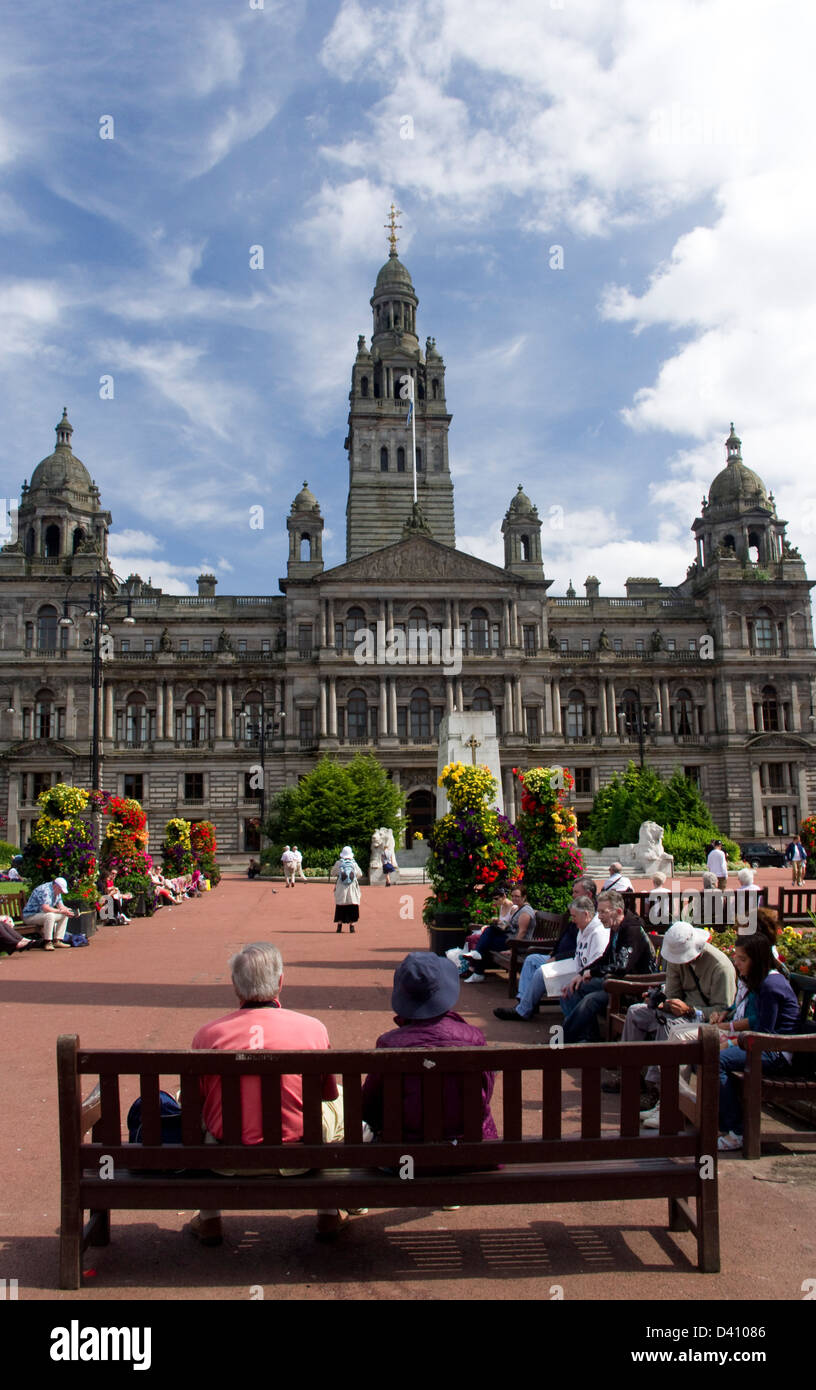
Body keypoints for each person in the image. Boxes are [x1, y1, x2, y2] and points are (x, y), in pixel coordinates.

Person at [188, 941, 350, 1244]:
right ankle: (329, 1211)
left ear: (236, 986)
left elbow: (197, 1102)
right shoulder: (312, 1029)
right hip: (299, 1156)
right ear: (280, 982)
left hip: (226, 1160)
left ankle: (209, 1218)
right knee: (338, 1102)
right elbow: (327, 1094)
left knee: (197, 1106)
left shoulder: (207, 1034)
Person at [361, 953, 497, 1147]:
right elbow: (485, 1091)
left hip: (404, 1156)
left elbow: (369, 1108)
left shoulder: (389, 1043)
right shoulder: (474, 1038)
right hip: (472, 1152)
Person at [618, 922, 736, 1125]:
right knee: (636, 1012)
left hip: (706, 1020)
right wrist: (659, 1001)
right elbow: (672, 994)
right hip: (680, 1013)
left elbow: (724, 1012)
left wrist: (690, 1010)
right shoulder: (675, 958)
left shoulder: (720, 967)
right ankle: (630, 1078)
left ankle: (664, 1096)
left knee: (670, 1026)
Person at [712, 933, 801, 1151]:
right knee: (707, 1052)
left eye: (742, 959)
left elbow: (765, 1034)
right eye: (737, 958)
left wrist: (731, 1043)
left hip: (777, 1053)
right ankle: (724, 1123)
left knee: (716, 1060)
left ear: (757, 960)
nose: (736, 963)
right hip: (765, 1046)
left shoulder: (771, 986)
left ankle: (737, 1131)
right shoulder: (764, 982)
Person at [559, 890, 656, 1043]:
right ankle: (587, 1036)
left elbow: (622, 966)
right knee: (572, 989)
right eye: (598, 912)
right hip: (618, 980)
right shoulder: (616, 926)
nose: (599, 916)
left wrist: (593, 972)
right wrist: (582, 973)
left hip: (635, 986)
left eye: (603, 912)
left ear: (617, 911)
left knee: (591, 999)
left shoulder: (631, 930)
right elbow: (605, 958)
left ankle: (564, 1039)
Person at [493, 895, 609, 1022]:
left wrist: (577, 973)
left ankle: (524, 1010)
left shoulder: (597, 933)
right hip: (576, 964)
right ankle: (523, 1004)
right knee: (532, 960)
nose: (573, 920)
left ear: (586, 915)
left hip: (583, 972)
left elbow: (596, 962)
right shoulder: (582, 927)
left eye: (574, 916)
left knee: (542, 973)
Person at [461, 885, 536, 983]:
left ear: (524, 897)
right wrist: (500, 924)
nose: (514, 898)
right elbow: (512, 927)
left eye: (517, 896)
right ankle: (477, 964)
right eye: (513, 896)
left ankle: (478, 972)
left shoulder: (525, 912)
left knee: (485, 944)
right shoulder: (519, 908)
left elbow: (522, 932)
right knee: (490, 930)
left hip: (517, 944)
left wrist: (512, 950)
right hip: (509, 938)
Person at [22, 876, 77, 950]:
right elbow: (46, 908)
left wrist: (69, 911)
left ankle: (57, 940)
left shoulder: (57, 891)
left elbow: (61, 906)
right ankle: (47, 942)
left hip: (41, 915)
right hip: (30, 916)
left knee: (64, 914)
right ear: (55, 886)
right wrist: (61, 911)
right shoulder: (45, 890)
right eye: (61, 890)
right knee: (50, 916)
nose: (61, 892)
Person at [330, 846, 362, 933]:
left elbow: (333, 873)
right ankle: (352, 926)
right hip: (352, 887)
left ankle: (339, 926)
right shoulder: (354, 863)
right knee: (352, 905)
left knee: (340, 905)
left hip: (341, 887)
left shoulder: (339, 863)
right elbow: (360, 874)